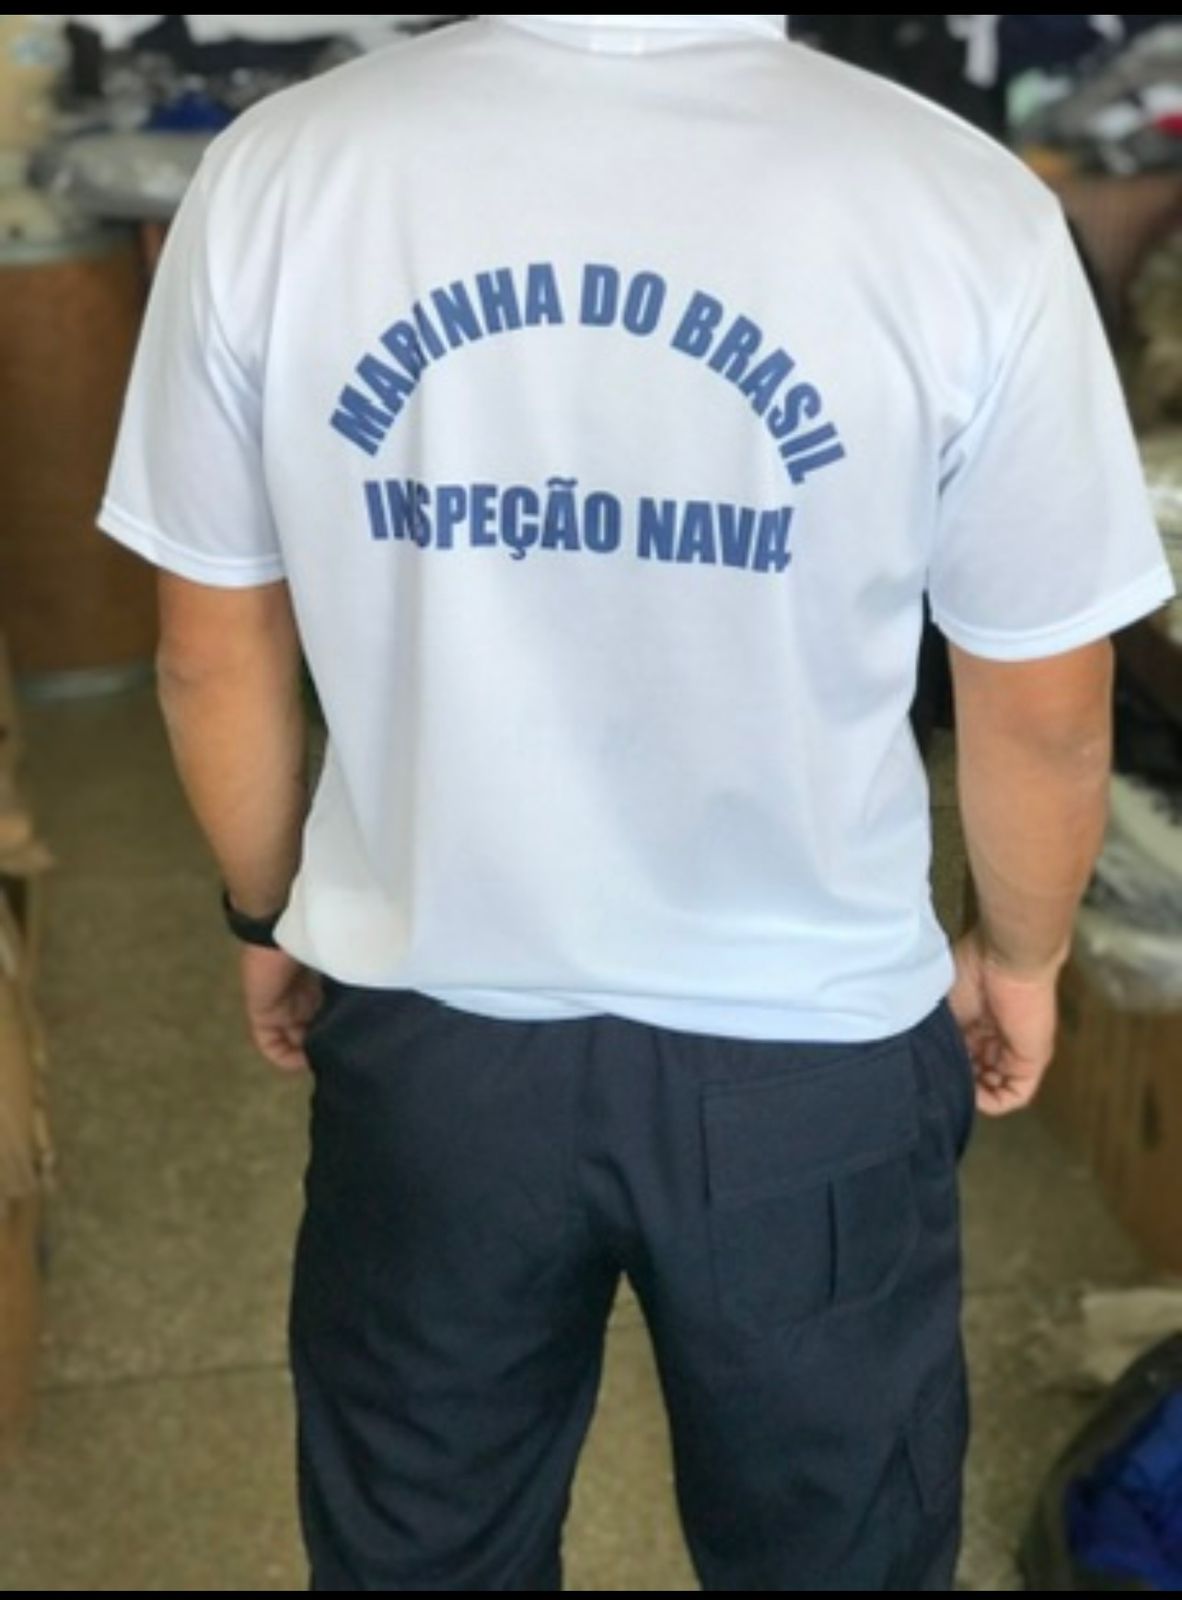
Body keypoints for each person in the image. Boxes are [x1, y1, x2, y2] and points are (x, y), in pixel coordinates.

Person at [100, 14, 1175, 1592]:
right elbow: (1043, 711)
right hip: (807, 1050)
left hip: (434, 1037)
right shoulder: (955, 201)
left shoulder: (284, 173)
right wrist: (1018, 954)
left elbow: (210, 654)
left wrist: (268, 911)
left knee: (424, 1550)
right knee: (833, 1557)